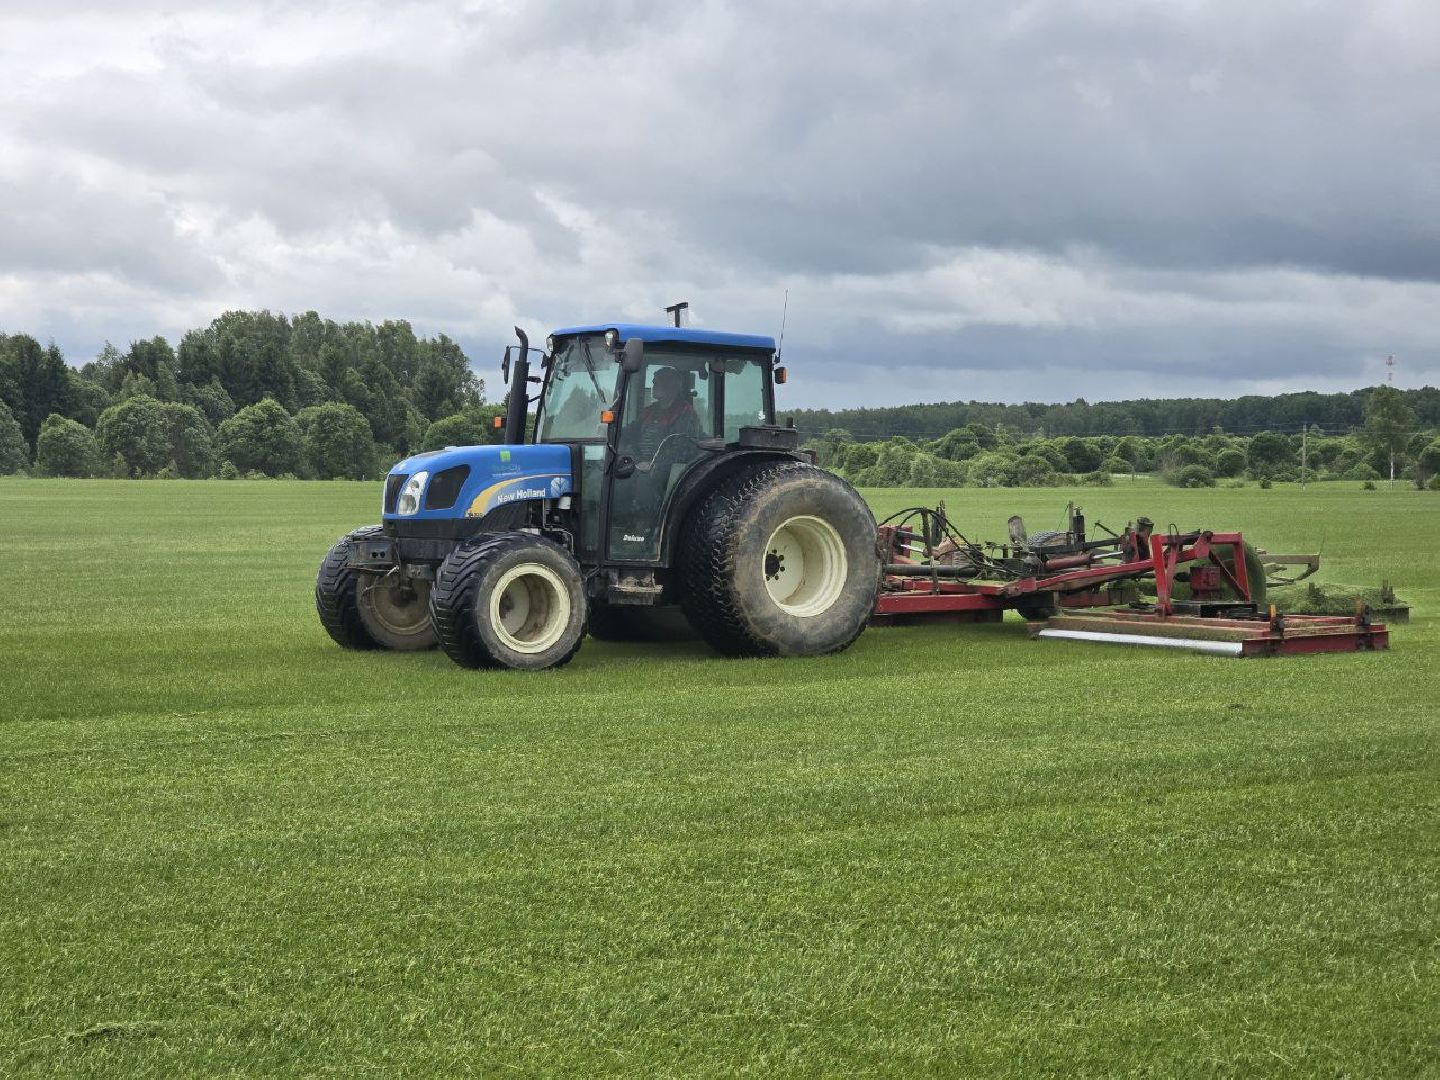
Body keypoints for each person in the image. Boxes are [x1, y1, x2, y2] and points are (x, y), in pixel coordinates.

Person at [636, 367, 699, 458]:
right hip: (641, 463)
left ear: (670, 386)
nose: (653, 387)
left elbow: (682, 449)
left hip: (669, 468)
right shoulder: (649, 411)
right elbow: (632, 431)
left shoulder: (685, 413)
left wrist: (655, 463)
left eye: (656, 383)